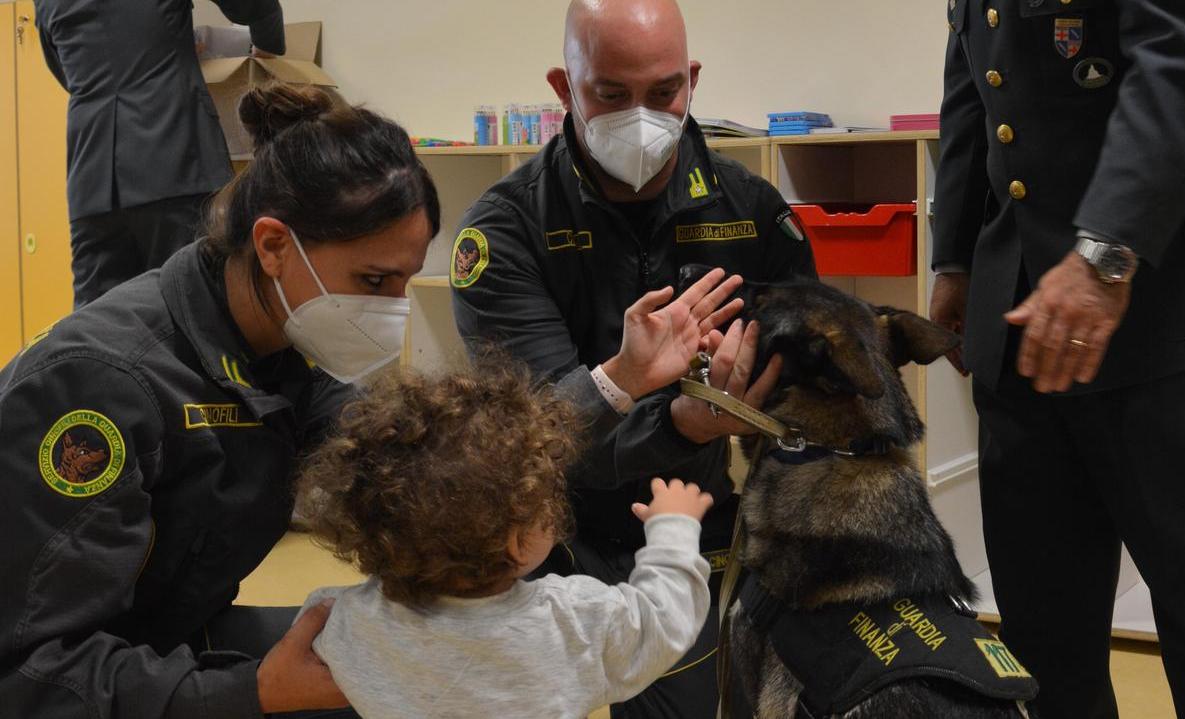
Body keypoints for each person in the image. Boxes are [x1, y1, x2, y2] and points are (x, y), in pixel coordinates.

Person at [0, 81, 739, 718]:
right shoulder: (97, 386)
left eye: (406, 279)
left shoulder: (288, 344)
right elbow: (31, 678)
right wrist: (250, 691)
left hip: (176, 645)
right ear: (272, 246)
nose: (391, 308)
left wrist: (619, 378)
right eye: (375, 281)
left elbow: (457, 470)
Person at [450, 1, 817, 715]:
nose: (640, 116)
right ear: (564, 86)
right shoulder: (504, 231)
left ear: (692, 80)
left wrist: (754, 401)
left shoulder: (753, 210)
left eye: (663, 92)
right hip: (546, 535)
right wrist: (650, 399)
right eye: (609, 95)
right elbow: (535, 441)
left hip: (694, 521)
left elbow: (810, 388)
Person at [932, 2, 1185, 717]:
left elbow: (1182, 54)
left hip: (1173, 297)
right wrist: (957, 257)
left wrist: (1103, 256)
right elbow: (975, 73)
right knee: (1041, 632)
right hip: (1024, 302)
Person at [294, 365, 715, 718]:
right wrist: (673, 528)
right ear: (516, 542)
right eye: (547, 497)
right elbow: (663, 620)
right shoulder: (574, 620)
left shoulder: (343, 618)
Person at [35, 0, 286, 308]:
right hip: (175, 158)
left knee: (99, 323)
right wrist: (266, 44)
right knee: (194, 308)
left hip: (94, 177)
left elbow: (66, 72)